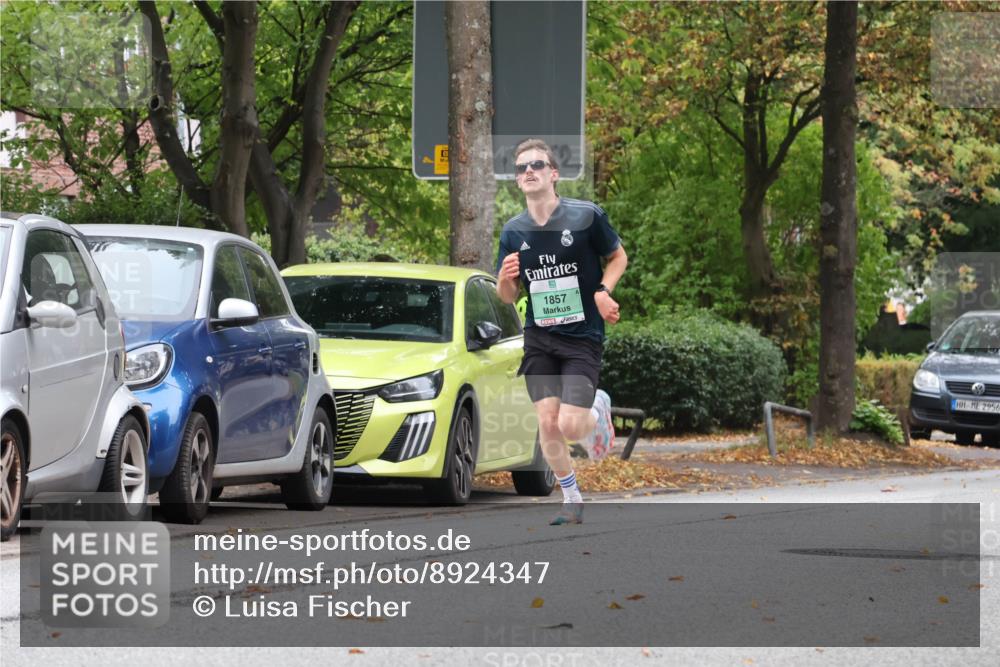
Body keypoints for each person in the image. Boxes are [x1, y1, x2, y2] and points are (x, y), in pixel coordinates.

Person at [495, 138, 628, 525]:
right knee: (547, 423)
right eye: (521, 168)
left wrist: (603, 292)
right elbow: (507, 295)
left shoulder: (585, 216)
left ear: (554, 174)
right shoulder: (513, 230)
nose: (529, 172)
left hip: (582, 335)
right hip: (540, 337)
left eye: (537, 165)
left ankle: (598, 408)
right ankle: (571, 497)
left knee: (571, 424)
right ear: (517, 180)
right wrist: (504, 278)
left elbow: (618, 256)